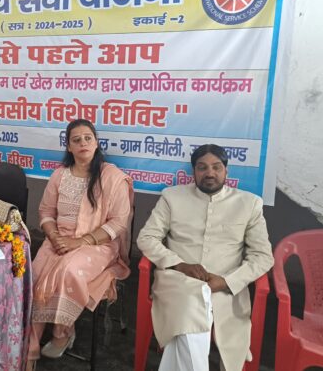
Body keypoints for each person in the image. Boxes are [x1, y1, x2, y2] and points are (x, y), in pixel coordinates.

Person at [137, 144, 274, 371]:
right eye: (202, 167)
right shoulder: (172, 197)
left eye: (216, 167)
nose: (210, 173)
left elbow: (263, 256)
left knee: (189, 321)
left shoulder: (249, 204)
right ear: (194, 171)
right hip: (178, 281)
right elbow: (147, 238)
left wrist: (227, 281)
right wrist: (179, 265)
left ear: (226, 171)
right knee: (191, 309)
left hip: (226, 288)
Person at [27, 119, 134, 370]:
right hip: (59, 240)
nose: (83, 143)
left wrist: (79, 241)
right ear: (69, 146)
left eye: (88, 138)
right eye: (76, 140)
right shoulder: (59, 175)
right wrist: (54, 237)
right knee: (34, 273)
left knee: (68, 270)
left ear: (96, 143)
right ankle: (30, 345)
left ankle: (62, 332)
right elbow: (46, 212)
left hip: (97, 244)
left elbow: (119, 223)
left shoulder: (112, 177)